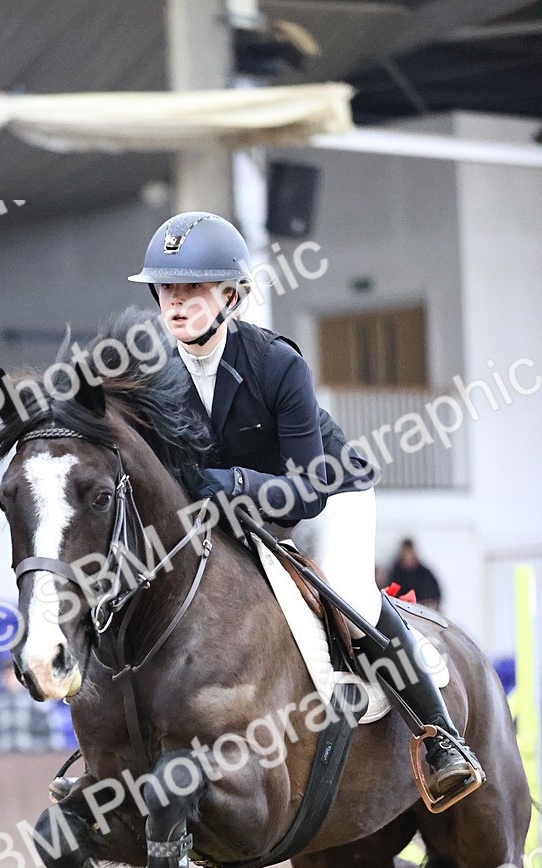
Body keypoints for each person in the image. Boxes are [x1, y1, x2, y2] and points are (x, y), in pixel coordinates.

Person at [128, 211, 481, 802]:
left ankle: (440, 734)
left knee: (351, 593)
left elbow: (308, 493)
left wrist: (231, 482)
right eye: (166, 289)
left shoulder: (278, 364)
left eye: (192, 288)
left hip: (327, 493)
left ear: (231, 296)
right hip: (230, 510)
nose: (175, 302)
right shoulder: (155, 375)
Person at [0, 657, 71, 755]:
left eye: (16, 674)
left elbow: (53, 741)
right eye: (7, 673)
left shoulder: (39, 705)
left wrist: (33, 751)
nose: (12, 678)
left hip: (33, 763)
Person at [388, 538, 443, 610]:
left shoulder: (424, 573)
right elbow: (391, 594)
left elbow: (435, 595)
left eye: (409, 553)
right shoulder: (396, 574)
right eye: (406, 554)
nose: (408, 557)